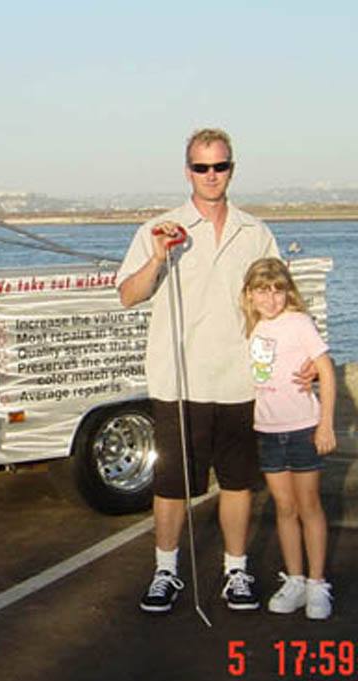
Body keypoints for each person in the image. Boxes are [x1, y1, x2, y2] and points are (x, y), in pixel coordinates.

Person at [117, 128, 279, 613]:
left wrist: (293, 364)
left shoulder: (255, 232)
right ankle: (166, 572)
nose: (212, 176)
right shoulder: (161, 228)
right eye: (202, 167)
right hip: (179, 381)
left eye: (220, 166)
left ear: (232, 169)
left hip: (238, 380)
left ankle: (237, 571)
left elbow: (275, 304)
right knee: (172, 486)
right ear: (188, 171)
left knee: (237, 483)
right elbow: (128, 294)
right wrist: (159, 257)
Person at [241, 257, 336, 619]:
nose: (271, 299)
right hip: (267, 431)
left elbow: (325, 371)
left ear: (288, 292)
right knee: (284, 507)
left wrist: (324, 425)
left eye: (278, 291)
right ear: (249, 296)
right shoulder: (249, 328)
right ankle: (294, 580)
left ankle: (316, 583)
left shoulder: (298, 322)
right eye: (262, 291)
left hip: (302, 428)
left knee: (309, 504)